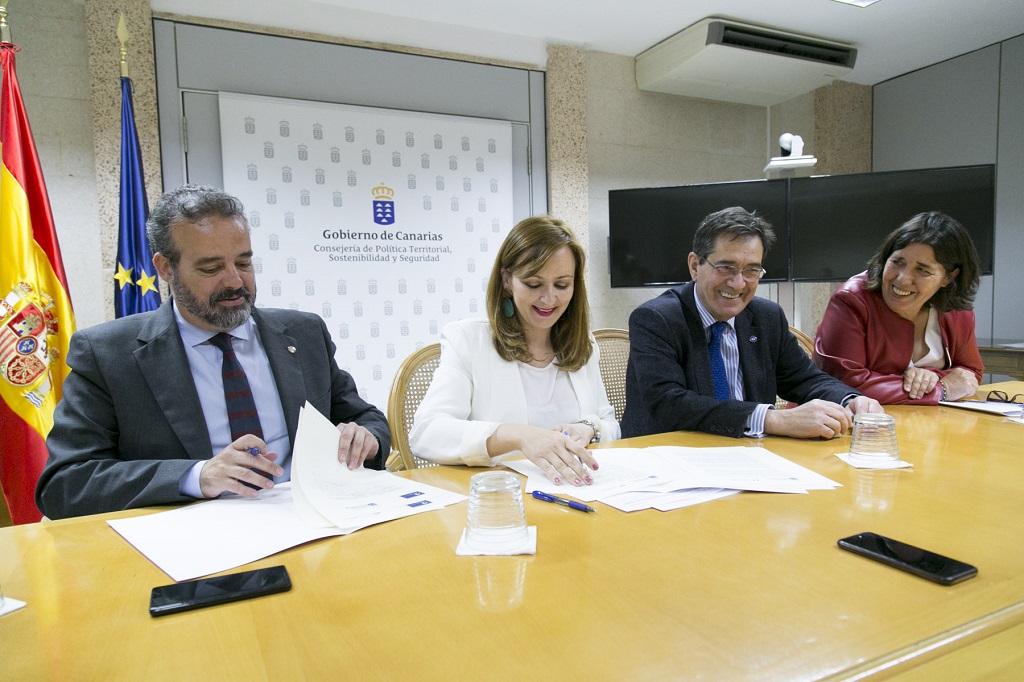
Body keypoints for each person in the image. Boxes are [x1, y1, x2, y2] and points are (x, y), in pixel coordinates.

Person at [36, 185, 390, 519]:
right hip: (189, 545)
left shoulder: (304, 332)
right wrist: (197, 476)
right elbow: (66, 483)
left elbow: (366, 419)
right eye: (211, 268)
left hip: (312, 524)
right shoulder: (107, 354)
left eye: (244, 263)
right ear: (165, 268)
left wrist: (367, 438)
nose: (235, 281)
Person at [621, 206, 883, 440]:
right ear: (694, 266)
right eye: (725, 267)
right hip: (668, 463)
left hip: (752, 461)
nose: (738, 283)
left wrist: (852, 399)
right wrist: (772, 419)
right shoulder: (655, 319)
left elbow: (805, 379)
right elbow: (669, 403)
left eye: (752, 270)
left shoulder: (766, 317)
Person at [409, 216, 619, 486]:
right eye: (534, 284)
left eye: (562, 285)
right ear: (507, 280)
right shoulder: (468, 339)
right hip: (503, 501)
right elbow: (426, 433)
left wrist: (589, 430)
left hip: (578, 494)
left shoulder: (583, 344)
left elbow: (609, 422)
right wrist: (517, 435)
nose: (549, 299)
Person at [813, 211, 983, 404]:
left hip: (923, 423)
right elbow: (847, 384)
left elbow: (970, 374)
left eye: (922, 270)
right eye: (897, 262)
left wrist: (929, 375)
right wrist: (940, 389)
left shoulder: (956, 309)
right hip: (840, 424)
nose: (902, 279)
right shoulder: (851, 300)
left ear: (948, 277)